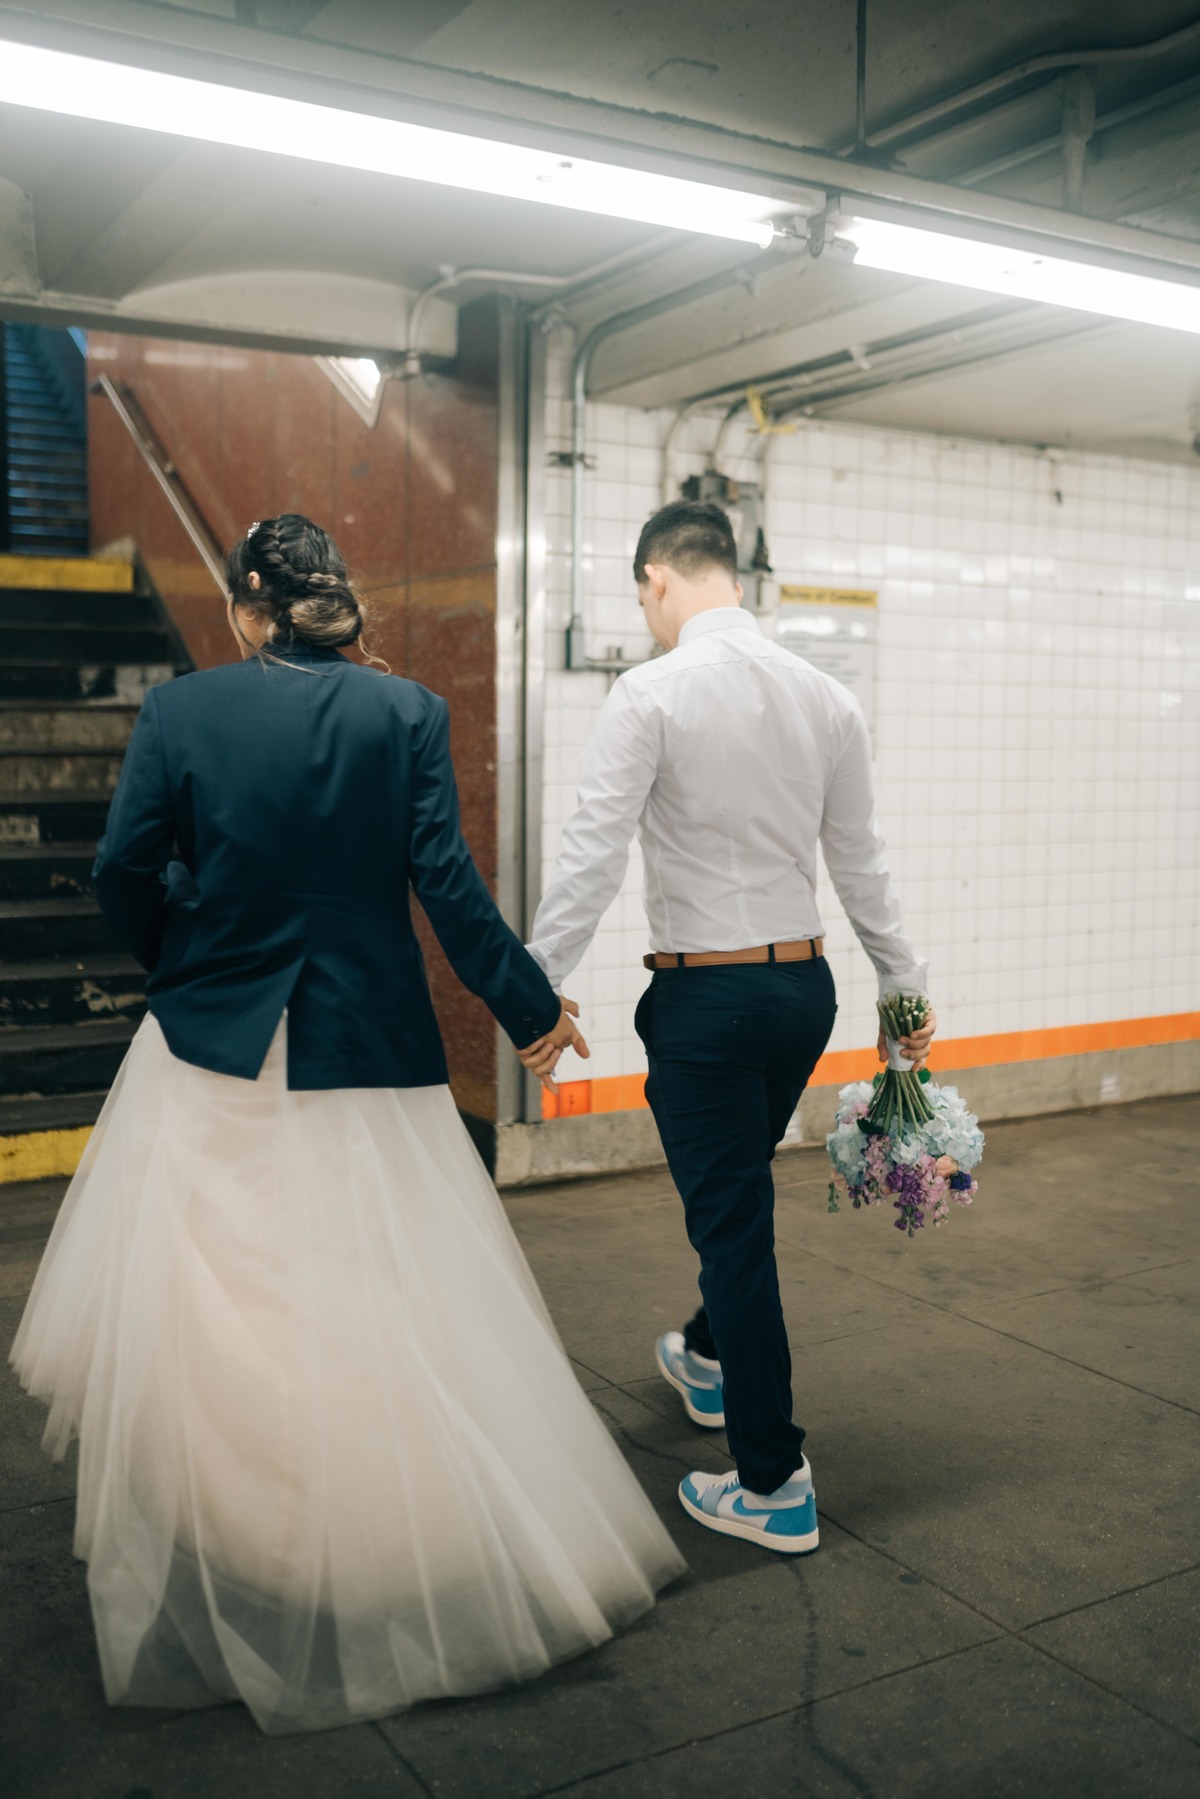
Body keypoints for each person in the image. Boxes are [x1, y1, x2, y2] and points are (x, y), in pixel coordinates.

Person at [11, 513, 684, 1735]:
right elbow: (449, 887)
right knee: (371, 1290)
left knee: (208, 1294)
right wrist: (530, 1010)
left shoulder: (181, 712)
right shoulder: (408, 713)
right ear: (339, 603)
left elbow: (120, 868)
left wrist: (189, 959)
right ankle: (377, 1532)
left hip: (211, 1045)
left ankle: (236, 1530)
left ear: (244, 607)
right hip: (362, 1045)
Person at [522, 499, 936, 1555]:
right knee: (737, 1191)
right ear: (734, 573)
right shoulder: (826, 696)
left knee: (734, 1226)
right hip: (805, 995)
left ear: (657, 577)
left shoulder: (650, 691)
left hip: (705, 1003)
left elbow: (591, 854)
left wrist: (533, 987)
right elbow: (863, 863)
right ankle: (706, 1357)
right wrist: (906, 995)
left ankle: (772, 1477)